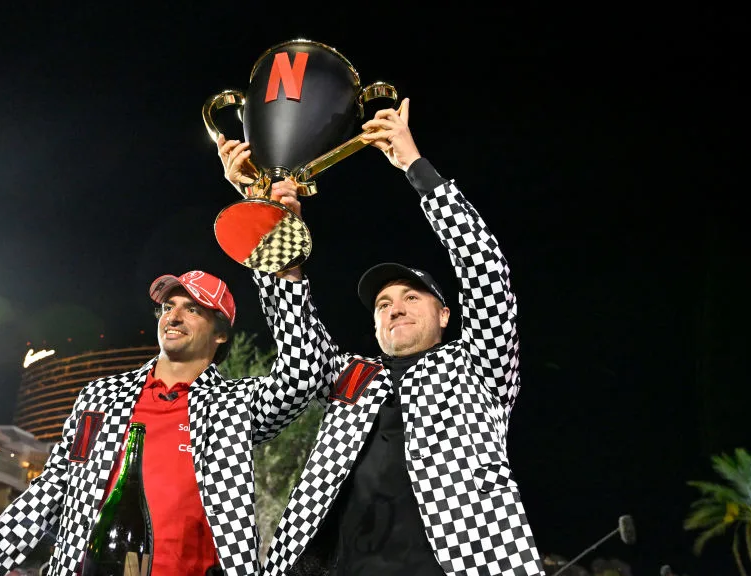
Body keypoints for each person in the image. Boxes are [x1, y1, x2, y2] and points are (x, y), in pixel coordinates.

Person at [218, 98, 544, 575]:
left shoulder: (479, 366)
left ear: (446, 314)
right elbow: (300, 344)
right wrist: (273, 225)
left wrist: (416, 167)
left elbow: (486, 269)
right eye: (383, 304)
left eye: (412, 296)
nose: (395, 307)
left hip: (466, 562)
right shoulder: (353, 375)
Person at [0, 267, 320, 576]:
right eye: (168, 307)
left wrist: (283, 271)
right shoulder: (101, 397)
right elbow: (52, 488)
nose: (173, 316)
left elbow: (304, 376)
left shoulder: (237, 403)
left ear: (221, 333)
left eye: (192, 309)